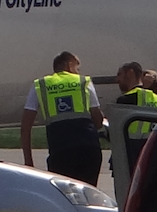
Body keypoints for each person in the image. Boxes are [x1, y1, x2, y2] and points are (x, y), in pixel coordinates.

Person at [20, 51, 106, 185]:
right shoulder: (83, 82)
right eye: (77, 68)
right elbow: (98, 120)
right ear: (69, 64)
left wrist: (28, 161)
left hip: (60, 150)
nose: (78, 72)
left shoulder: (40, 85)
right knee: (88, 193)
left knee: (64, 196)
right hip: (88, 149)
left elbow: (25, 127)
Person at [115, 61, 157, 174]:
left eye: (119, 74)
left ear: (129, 73)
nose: (117, 80)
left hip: (131, 152)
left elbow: (116, 131)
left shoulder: (125, 99)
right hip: (153, 150)